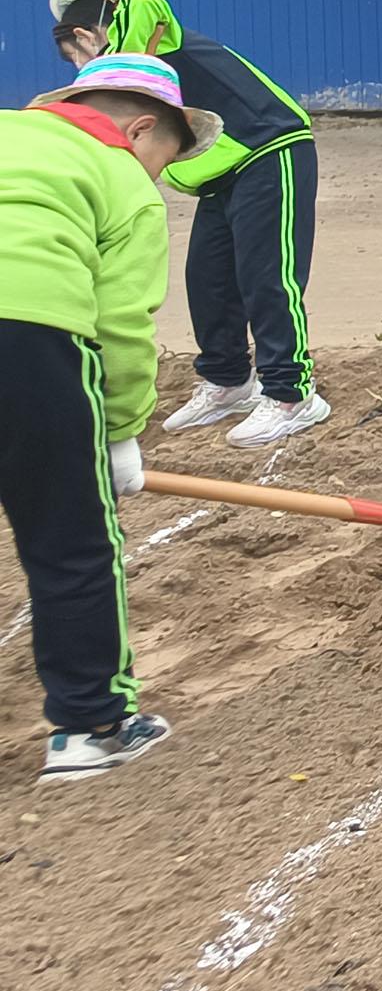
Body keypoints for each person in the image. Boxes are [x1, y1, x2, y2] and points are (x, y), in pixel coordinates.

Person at [1, 54, 221, 778]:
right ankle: (92, 727)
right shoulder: (121, 175)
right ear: (141, 127)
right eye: (168, 157)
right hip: (28, 336)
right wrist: (120, 432)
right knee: (71, 543)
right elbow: (122, 327)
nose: (161, 174)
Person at [49, 0, 326, 446]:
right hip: (219, 175)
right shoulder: (134, 71)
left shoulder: (151, 28)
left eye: (74, 52)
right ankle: (228, 380)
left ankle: (291, 395)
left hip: (269, 149)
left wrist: (106, 26)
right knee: (208, 280)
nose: (79, 70)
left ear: (85, 33)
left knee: (267, 278)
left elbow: (144, 4)